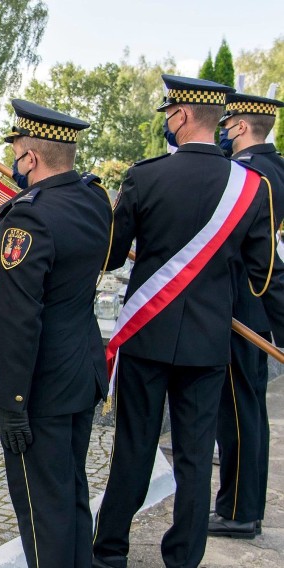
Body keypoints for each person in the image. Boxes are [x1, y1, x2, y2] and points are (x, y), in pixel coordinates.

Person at [92, 75, 284, 568]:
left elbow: (111, 256)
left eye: (168, 115)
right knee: (197, 457)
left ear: (179, 116)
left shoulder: (145, 176)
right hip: (207, 343)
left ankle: (110, 550)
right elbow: (262, 276)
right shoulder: (251, 187)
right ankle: (182, 559)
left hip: (146, 334)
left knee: (134, 446)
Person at [0, 99, 112, 567]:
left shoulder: (26, 217)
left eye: (17, 152)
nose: (14, 163)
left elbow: (19, 318)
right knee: (71, 493)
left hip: (41, 385)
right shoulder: (93, 199)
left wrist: (12, 403)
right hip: (82, 372)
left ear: (30, 158)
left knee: (45, 512)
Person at [209, 93, 284, 539]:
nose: (222, 130)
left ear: (239, 127)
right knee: (250, 408)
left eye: (227, 124)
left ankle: (238, 511)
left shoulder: (251, 174)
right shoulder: (277, 168)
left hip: (241, 301)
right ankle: (246, 505)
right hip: (257, 305)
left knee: (237, 412)